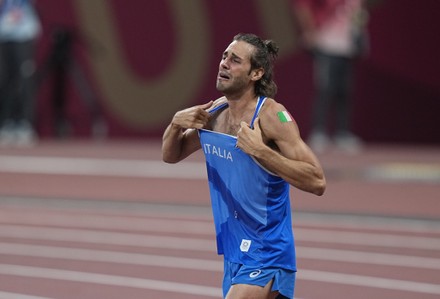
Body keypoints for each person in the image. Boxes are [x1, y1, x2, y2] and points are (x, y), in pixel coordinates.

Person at [162, 33, 326, 299]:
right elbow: (172, 154)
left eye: (235, 60)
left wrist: (261, 151)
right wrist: (175, 124)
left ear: (256, 73)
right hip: (234, 249)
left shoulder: (272, 116)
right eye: (225, 56)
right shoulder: (215, 113)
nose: (224, 63)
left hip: (267, 250)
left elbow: (317, 180)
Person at [292, 0, 372, 153]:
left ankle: (343, 132)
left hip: (348, 47)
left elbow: (358, 16)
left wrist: (362, 36)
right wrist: (310, 31)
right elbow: (302, 6)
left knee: (345, 90)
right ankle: (319, 131)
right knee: (325, 88)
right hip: (327, 45)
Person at [0, 0, 41, 146]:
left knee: (24, 78)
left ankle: (24, 123)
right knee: (5, 79)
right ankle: (5, 123)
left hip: (23, 33)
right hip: (3, 33)